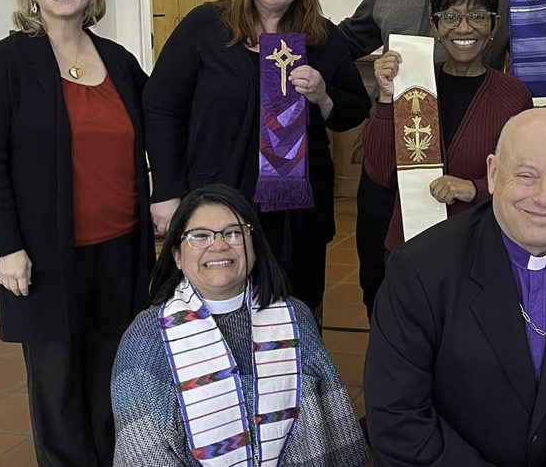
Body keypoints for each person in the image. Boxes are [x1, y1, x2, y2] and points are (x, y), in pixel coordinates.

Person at [340, 0, 546, 316]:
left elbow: (533, 56)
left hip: (472, 149)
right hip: (396, 144)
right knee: (381, 280)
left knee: (469, 290)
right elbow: (357, 33)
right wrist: (290, 44)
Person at [364, 108, 546, 466]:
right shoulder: (420, 270)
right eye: (527, 176)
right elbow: (397, 417)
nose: (545, 198)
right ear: (494, 174)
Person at [0, 0, 154, 466]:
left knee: (113, 369)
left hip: (120, 245)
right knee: (58, 381)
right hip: (46, 253)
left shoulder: (117, 60)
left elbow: (160, 121)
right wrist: (7, 248)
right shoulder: (5, 63)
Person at [144, 0, 370, 316]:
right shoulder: (206, 27)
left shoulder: (321, 36)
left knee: (293, 311)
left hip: (293, 214)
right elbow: (161, 105)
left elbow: (354, 110)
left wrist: (323, 97)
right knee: (217, 310)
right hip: (217, 200)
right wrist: (166, 191)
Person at [111, 183, 369, 467]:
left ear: (254, 248)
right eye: (199, 236)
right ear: (176, 256)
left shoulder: (296, 317)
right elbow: (141, 450)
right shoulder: (146, 337)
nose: (219, 245)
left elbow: (337, 425)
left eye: (233, 233)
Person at [362, 0, 533, 252]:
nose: (464, 28)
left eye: (477, 16)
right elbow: (381, 172)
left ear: (495, 25)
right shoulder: (414, 85)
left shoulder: (513, 95)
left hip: (484, 245)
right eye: (451, 17)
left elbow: (526, 177)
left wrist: (475, 188)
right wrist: (386, 98)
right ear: (435, 24)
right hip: (413, 244)